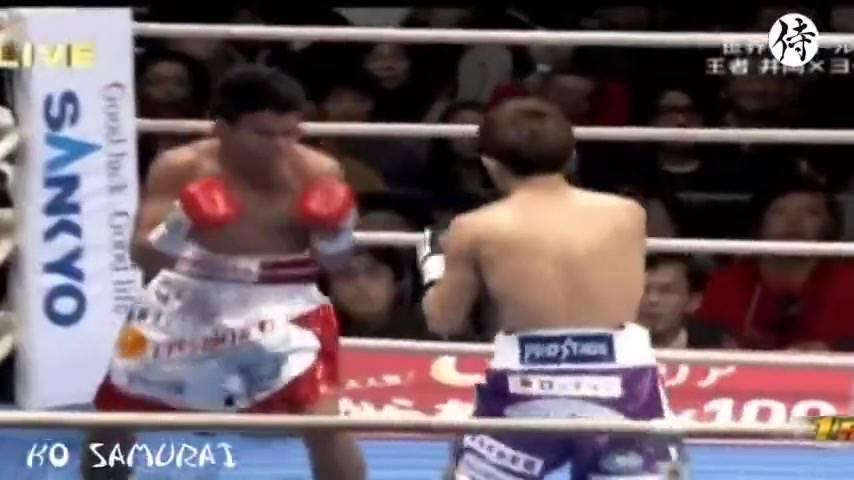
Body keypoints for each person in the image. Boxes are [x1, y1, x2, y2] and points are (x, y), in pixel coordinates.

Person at [85, 65, 365, 480]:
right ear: (221, 127)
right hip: (186, 296)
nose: (280, 146)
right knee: (112, 418)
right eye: (264, 134)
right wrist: (182, 221)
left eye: (290, 132)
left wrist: (336, 232)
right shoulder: (181, 166)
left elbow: (335, 266)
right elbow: (143, 257)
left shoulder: (317, 171)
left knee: (324, 424)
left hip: (285, 299)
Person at [418, 97, 685, 479]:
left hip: (524, 381)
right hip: (624, 377)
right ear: (571, 156)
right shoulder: (627, 214)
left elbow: (443, 320)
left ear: (489, 164)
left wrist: (433, 264)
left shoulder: (475, 228)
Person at [697, 174, 854, 351]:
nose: (793, 223)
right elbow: (703, 340)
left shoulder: (849, 282)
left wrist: (833, 349)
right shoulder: (727, 282)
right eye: (779, 212)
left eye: (811, 213)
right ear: (760, 221)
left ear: (830, 225)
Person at [639, 254, 730, 348]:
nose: (652, 299)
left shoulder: (717, 347)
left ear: (693, 300)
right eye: (642, 288)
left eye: (666, 290)